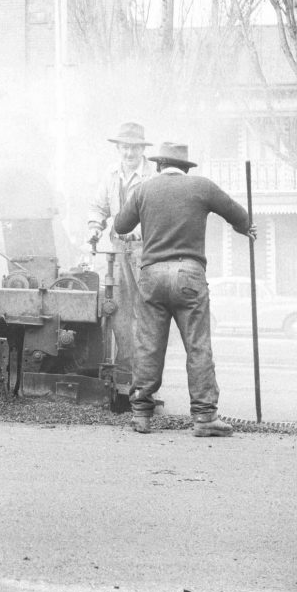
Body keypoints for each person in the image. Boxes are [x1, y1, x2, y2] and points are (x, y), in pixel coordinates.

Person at [113, 142, 256, 437]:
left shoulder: (143, 189)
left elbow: (121, 226)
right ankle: (204, 419)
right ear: (186, 167)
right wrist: (245, 227)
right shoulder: (201, 186)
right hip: (189, 274)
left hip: (151, 275)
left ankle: (141, 415)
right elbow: (236, 212)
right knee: (197, 345)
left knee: (149, 345)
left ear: (158, 165)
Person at [84, 121, 156, 392]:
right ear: (118, 149)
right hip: (116, 251)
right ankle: (127, 371)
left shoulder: (152, 176)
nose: (129, 153)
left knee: (147, 310)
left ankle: (147, 377)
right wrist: (94, 227)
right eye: (125, 147)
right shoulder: (111, 174)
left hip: (145, 250)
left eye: (134, 148)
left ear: (142, 149)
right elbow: (98, 206)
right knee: (119, 310)